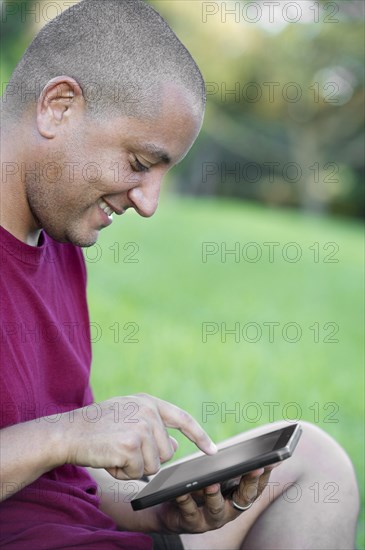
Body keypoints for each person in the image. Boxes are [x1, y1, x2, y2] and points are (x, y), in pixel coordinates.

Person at [0, 0, 360, 548]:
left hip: (85, 531)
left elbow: (59, 478)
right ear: (59, 106)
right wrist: (69, 431)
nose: (149, 203)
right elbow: (57, 444)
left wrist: (159, 508)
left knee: (311, 458)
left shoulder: (61, 244)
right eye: (141, 164)